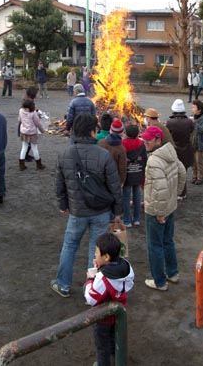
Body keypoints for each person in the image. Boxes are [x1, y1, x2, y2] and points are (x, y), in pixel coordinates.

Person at [51, 113, 123, 298]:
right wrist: (117, 211)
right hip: (101, 211)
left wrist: (63, 204)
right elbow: (114, 187)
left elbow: (60, 183)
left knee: (69, 246)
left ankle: (63, 285)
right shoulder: (104, 155)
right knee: (96, 249)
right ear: (93, 131)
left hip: (77, 211)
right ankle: (92, 289)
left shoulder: (65, 153)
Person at [141, 125, 186, 291]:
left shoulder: (153, 161)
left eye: (149, 139)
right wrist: (176, 195)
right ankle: (172, 273)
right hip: (170, 206)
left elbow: (159, 189)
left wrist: (160, 213)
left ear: (158, 140)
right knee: (168, 241)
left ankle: (159, 281)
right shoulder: (171, 152)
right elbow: (182, 173)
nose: (145, 140)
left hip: (156, 210)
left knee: (155, 245)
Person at [84, 232, 134, 366]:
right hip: (118, 313)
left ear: (106, 257)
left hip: (103, 318)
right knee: (114, 338)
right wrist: (101, 267)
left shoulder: (102, 278)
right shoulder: (126, 267)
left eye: (96, 252)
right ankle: (117, 359)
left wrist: (90, 279)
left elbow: (91, 298)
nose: (94, 254)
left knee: (102, 345)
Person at [166, 99, 195, 200]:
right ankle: (182, 192)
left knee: (173, 172)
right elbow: (192, 132)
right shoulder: (189, 122)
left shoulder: (169, 122)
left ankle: (175, 192)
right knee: (183, 172)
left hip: (174, 150)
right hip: (186, 150)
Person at [121, 124, 147, 227]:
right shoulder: (141, 144)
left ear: (126, 133)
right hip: (138, 173)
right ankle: (136, 219)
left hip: (127, 174)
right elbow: (144, 159)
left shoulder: (122, 144)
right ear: (137, 134)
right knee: (137, 196)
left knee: (126, 197)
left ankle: (127, 220)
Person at [18, 97, 46, 170]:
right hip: (32, 133)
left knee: (24, 147)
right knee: (34, 148)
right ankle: (39, 165)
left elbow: (19, 119)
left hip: (24, 132)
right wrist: (42, 130)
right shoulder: (33, 113)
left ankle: (21, 165)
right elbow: (38, 123)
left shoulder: (21, 111)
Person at [98, 118, 127, 186]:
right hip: (114, 179)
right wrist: (122, 181)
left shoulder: (101, 143)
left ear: (110, 130)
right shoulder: (121, 148)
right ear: (121, 133)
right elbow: (122, 167)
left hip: (101, 176)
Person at [191, 100, 203, 186]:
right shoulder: (192, 117)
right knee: (193, 162)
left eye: (194, 107)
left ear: (199, 110)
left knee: (199, 162)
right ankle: (194, 176)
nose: (192, 109)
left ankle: (200, 177)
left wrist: (194, 123)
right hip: (193, 143)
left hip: (201, 144)